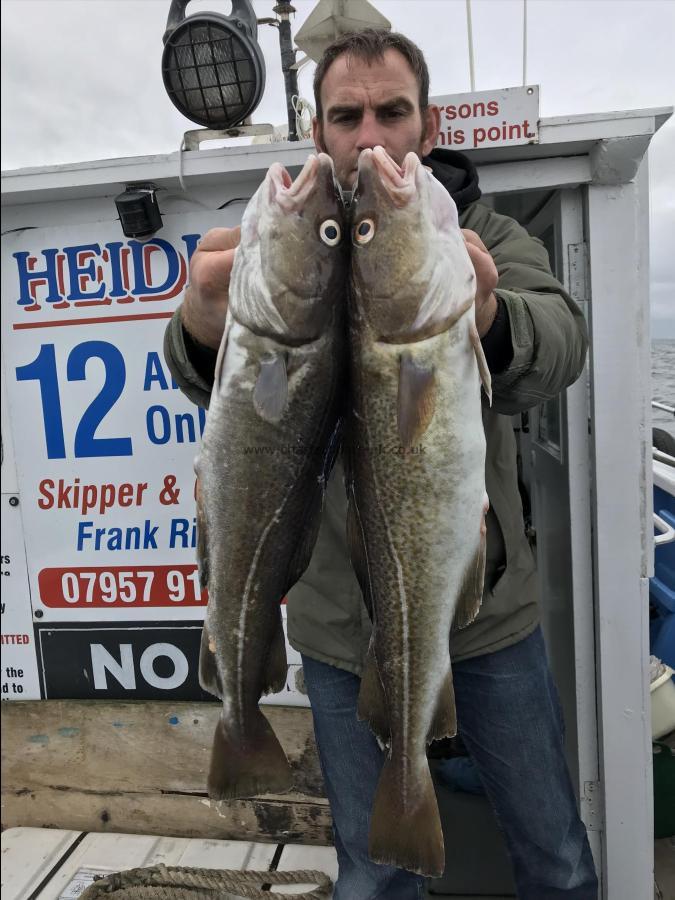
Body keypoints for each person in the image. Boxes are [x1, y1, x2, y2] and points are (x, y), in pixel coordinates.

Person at [164, 29, 598, 900]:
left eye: (391, 113)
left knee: (554, 856)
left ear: (427, 126)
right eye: (346, 116)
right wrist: (202, 333)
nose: (370, 138)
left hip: (487, 614)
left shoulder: (479, 234)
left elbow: (559, 342)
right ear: (318, 133)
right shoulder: (293, 246)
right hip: (332, 622)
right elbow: (241, 396)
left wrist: (488, 315)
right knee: (369, 878)